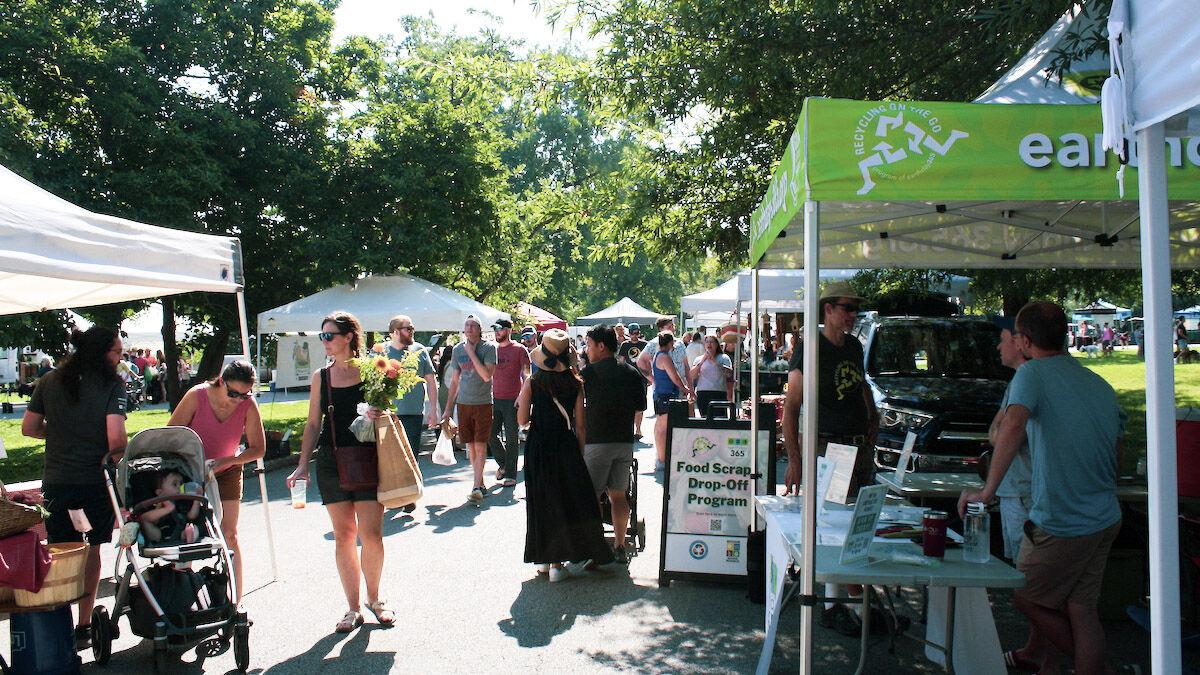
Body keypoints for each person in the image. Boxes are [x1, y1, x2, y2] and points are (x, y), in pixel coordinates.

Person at [959, 301, 1124, 675]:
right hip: (1104, 514)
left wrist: (986, 493)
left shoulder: (1032, 374)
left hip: (1064, 518)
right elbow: (1117, 449)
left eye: (1015, 335)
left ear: (1027, 341)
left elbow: (1011, 428)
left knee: (1025, 595)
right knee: (1081, 608)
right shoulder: (1096, 381)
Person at [781, 281, 879, 636]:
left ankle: (848, 602)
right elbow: (791, 408)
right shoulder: (810, 347)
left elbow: (861, 386)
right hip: (828, 446)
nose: (853, 315)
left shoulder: (853, 345)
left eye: (856, 309)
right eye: (847, 308)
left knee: (854, 523)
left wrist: (874, 419)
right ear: (828, 309)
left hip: (856, 446)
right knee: (836, 526)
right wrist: (795, 459)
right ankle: (841, 604)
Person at [286, 312, 394, 633]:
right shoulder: (322, 376)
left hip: (367, 457)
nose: (325, 341)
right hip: (331, 462)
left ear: (348, 337)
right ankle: (352, 607)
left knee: (371, 536)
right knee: (344, 535)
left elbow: (389, 414)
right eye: (322, 336)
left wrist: (380, 411)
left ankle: (375, 600)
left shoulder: (373, 371)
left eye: (329, 335)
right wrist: (303, 463)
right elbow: (312, 423)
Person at [21, 326, 128, 651]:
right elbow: (115, 440)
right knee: (93, 548)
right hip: (94, 481)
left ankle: (61, 623)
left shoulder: (50, 380)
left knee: (62, 552)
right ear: (101, 353)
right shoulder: (112, 385)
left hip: (57, 481)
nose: (121, 358)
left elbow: (29, 428)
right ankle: (85, 624)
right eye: (117, 352)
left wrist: (59, 435)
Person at [518, 329, 614, 581]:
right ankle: (560, 562)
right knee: (567, 500)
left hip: (539, 444)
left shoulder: (533, 381)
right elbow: (580, 425)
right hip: (565, 444)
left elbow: (522, 419)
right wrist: (579, 451)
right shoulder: (576, 383)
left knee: (542, 499)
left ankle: (547, 559)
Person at [168, 360, 266, 602]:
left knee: (230, 533)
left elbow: (258, 449)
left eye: (244, 395)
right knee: (190, 533)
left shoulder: (247, 404)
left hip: (228, 469)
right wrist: (190, 467)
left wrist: (228, 460)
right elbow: (170, 434)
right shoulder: (197, 396)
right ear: (221, 381)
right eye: (233, 393)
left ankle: (236, 600)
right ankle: (183, 595)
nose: (237, 399)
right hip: (192, 470)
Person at [580, 324, 646, 563]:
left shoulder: (587, 374)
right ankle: (619, 546)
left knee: (593, 496)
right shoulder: (631, 371)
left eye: (588, 345)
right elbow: (640, 406)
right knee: (619, 495)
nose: (587, 350)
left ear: (601, 346)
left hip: (597, 441)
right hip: (623, 441)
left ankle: (597, 547)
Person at [440, 316, 498, 503]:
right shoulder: (457, 349)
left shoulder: (489, 348)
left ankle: (475, 486)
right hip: (464, 403)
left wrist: (472, 353)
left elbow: (486, 376)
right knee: (470, 446)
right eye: (467, 325)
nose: (470, 328)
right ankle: (479, 483)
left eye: (474, 326)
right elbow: (455, 380)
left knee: (480, 445)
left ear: (480, 330)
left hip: (482, 403)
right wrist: (448, 409)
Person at [386, 314, 439, 470]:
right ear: (395, 332)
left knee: (410, 460)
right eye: (407, 328)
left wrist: (434, 410)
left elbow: (431, 381)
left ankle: (412, 491)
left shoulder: (419, 350)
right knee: (390, 460)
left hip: (413, 414)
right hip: (388, 415)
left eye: (412, 328)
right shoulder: (382, 352)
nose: (411, 331)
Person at [489, 319, 530, 487]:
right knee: (489, 434)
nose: (497, 332)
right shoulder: (492, 349)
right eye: (495, 329)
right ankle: (505, 465)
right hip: (495, 398)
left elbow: (527, 375)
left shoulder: (520, 349)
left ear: (509, 330)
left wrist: (522, 396)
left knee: (512, 438)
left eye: (500, 329)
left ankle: (511, 475)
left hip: (513, 399)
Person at [647, 332, 692, 472]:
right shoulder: (664, 357)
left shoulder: (658, 355)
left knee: (661, 427)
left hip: (662, 395)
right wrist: (685, 389)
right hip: (665, 395)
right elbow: (675, 377)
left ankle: (662, 457)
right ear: (671, 343)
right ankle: (661, 459)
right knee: (663, 428)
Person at [138, 470, 202, 543]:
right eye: (174, 484)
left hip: (181, 532)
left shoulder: (182, 502)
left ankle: (189, 536)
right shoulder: (157, 503)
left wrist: (197, 498)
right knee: (144, 519)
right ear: (160, 492)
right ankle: (169, 508)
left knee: (193, 527)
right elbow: (154, 521)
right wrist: (165, 504)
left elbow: (191, 516)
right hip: (160, 534)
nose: (179, 487)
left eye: (181, 484)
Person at [691, 335, 733, 417]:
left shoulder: (723, 358)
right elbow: (692, 375)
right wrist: (702, 361)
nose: (709, 344)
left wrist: (715, 362)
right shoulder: (699, 359)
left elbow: (729, 374)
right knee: (705, 419)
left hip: (719, 393)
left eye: (712, 342)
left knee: (719, 420)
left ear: (717, 344)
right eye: (707, 342)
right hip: (703, 393)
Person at [618, 324, 648, 437]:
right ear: (629, 333)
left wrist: (649, 376)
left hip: (641, 377)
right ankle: (629, 428)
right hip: (627, 378)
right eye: (632, 333)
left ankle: (638, 429)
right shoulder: (625, 345)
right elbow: (621, 360)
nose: (634, 336)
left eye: (637, 333)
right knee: (628, 404)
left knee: (640, 404)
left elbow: (648, 360)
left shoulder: (644, 344)